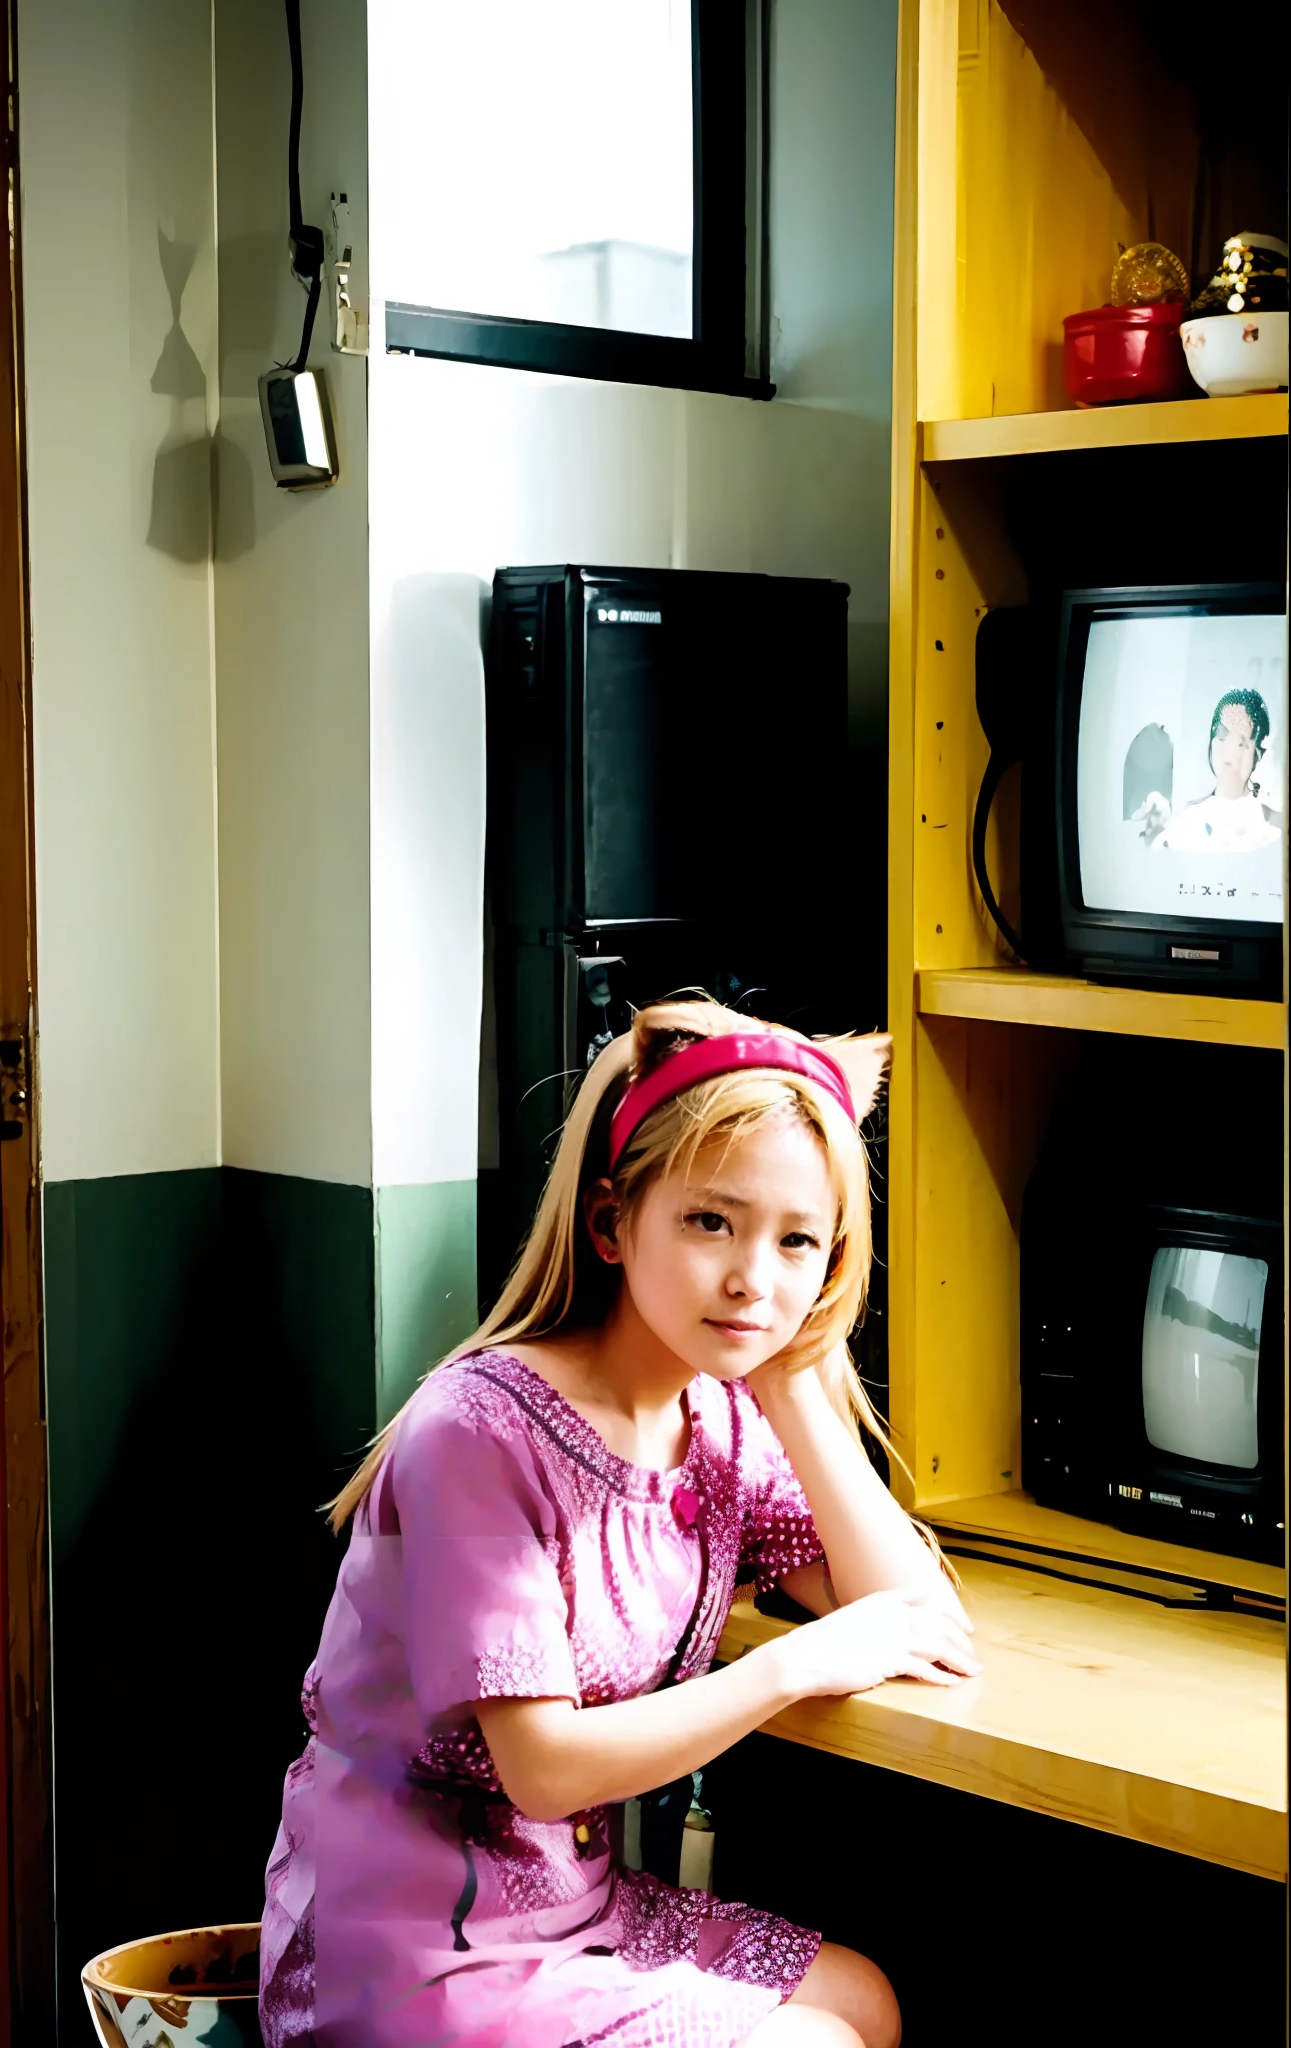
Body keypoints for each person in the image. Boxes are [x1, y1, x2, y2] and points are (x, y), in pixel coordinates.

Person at [259, 1000, 979, 2048]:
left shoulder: (721, 1420)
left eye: (797, 1242)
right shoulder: (477, 1429)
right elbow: (543, 1765)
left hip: (576, 1908)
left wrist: (792, 1383)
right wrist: (796, 1664)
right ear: (610, 1223)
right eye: (710, 1222)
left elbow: (910, 1612)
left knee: (863, 1999)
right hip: (409, 1953)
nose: (751, 1277)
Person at [1132, 687, 1281, 852]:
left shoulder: (1272, 827)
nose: (1229, 751)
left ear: (1258, 752)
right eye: (1222, 736)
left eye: (1241, 741)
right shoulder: (1190, 820)